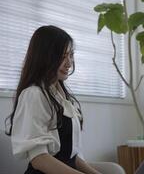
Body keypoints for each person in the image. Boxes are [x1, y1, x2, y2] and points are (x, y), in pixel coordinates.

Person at [5, 25, 101, 174]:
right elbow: (39, 159)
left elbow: (71, 156)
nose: (69, 63)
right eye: (63, 56)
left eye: (71, 55)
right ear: (45, 57)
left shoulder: (63, 97)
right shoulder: (34, 95)